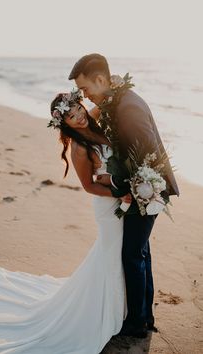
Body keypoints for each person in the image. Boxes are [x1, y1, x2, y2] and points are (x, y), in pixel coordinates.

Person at [0, 90, 131, 354]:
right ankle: (108, 311)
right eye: (71, 116)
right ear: (63, 123)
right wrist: (118, 193)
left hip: (118, 197)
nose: (78, 117)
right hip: (106, 204)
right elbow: (88, 186)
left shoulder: (88, 119)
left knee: (114, 253)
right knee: (111, 253)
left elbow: (103, 101)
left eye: (78, 109)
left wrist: (117, 87)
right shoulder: (79, 147)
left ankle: (116, 303)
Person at [68, 53, 180, 338]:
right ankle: (145, 316)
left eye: (85, 89)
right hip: (140, 189)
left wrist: (117, 183)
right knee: (140, 251)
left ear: (101, 80)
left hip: (147, 189)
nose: (85, 96)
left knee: (132, 254)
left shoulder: (128, 108)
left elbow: (147, 159)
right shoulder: (116, 99)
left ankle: (137, 324)